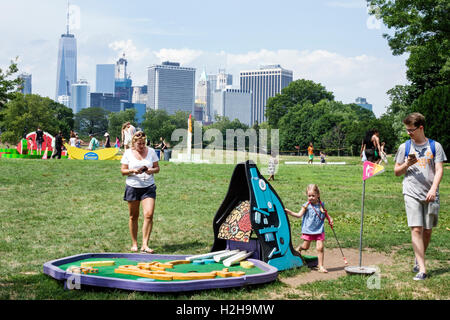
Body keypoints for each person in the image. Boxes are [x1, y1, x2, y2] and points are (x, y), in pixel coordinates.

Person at [394, 113, 446, 281]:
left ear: (421, 128)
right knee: (416, 228)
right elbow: (396, 172)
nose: (409, 133)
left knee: (428, 230)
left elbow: (439, 170)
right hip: (411, 192)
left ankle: (418, 257)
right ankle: (422, 269)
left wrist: (433, 189)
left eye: (411, 130)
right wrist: (406, 164)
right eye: (407, 130)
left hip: (431, 193)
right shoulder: (405, 147)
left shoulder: (435, 146)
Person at [121, 131, 160, 254]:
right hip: (133, 187)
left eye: (143, 143)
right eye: (139, 144)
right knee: (133, 216)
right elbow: (123, 171)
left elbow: (157, 168)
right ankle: (134, 243)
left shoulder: (151, 152)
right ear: (134, 143)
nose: (142, 146)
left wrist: (150, 170)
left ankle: (145, 244)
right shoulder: (128, 153)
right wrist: (133, 171)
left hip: (148, 187)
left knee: (148, 214)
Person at [285, 184, 333, 273]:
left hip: (319, 230)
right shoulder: (306, 205)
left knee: (320, 248)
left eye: (313, 195)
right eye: (309, 196)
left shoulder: (321, 204)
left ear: (318, 194)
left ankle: (321, 266)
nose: (311, 198)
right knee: (306, 247)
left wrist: (330, 218)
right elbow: (299, 215)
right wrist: (289, 212)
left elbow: (324, 213)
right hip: (308, 230)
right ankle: (299, 248)